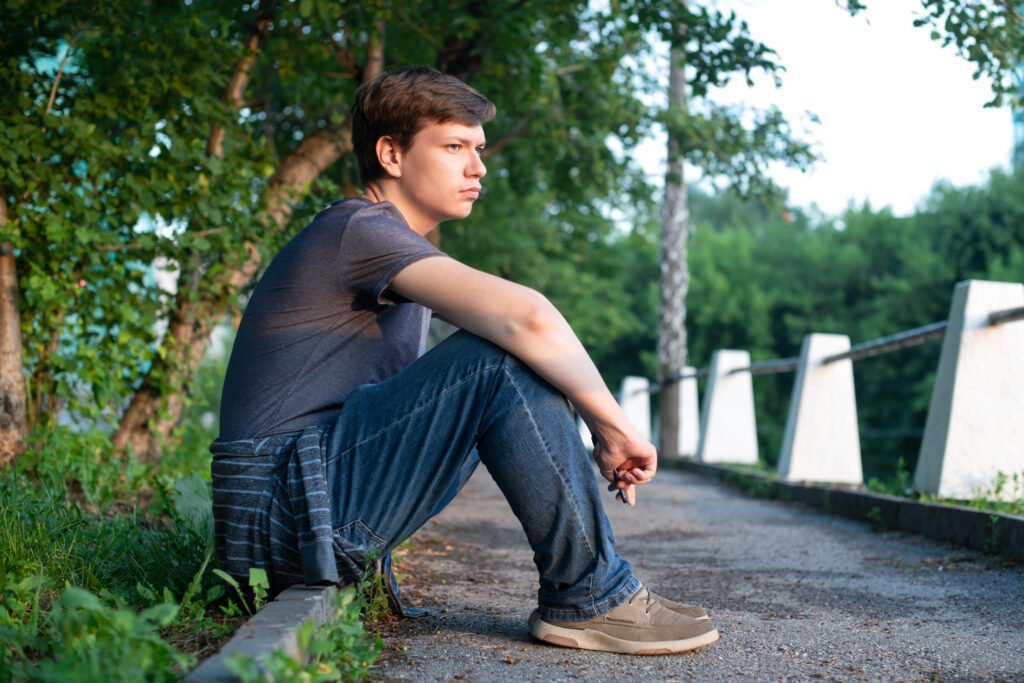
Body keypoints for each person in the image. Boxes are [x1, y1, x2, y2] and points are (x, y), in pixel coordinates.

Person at [210, 66, 718, 655]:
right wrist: (613, 426)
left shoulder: (393, 245)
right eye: (454, 147)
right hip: (280, 511)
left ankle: (592, 589)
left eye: (478, 149)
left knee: (509, 354)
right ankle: (592, 595)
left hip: (298, 507)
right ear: (391, 154)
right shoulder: (359, 229)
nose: (478, 167)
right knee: (499, 350)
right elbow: (528, 317)